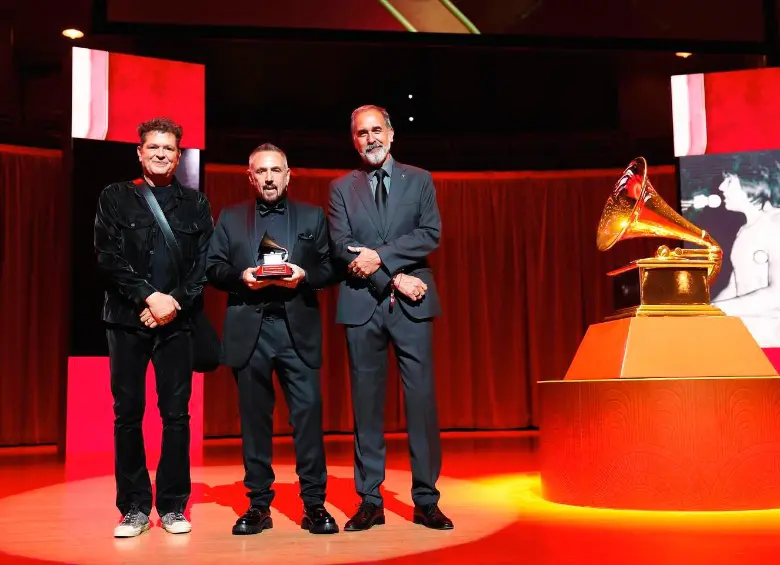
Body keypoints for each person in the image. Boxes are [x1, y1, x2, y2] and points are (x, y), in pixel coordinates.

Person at [327, 105, 453, 531]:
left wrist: (381, 258)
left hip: (414, 307)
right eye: (361, 133)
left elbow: (429, 233)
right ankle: (369, 501)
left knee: (420, 403)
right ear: (354, 140)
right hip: (364, 303)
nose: (370, 138)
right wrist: (394, 279)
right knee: (366, 406)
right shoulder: (341, 188)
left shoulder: (419, 179)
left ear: (392, 134)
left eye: (376, 130)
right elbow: (342, 246)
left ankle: (426, 499)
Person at [206, 143, 339, 535]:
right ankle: (258, 506)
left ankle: (314, 505)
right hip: (250, 331)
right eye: (260, 172)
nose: (268, 178)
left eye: (274, 171)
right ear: (250, 177)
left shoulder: (313, 216)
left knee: (308, 419)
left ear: (287, 174)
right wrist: (241, 277)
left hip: (298, 331)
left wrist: (305, 276)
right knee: (254, 423)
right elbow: (212, 268)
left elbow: (331, 267)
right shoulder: (230, 218)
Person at [94, 117, 214, 537]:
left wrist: (173, 303)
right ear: (140, 152)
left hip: (177, 323)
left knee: (176, 415)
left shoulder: (196, 204)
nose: (162, 153)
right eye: (154, 147)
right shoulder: (114, 197)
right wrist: (151, 297)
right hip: (126, 320)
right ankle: (133, 508)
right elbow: (108, 258)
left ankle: (173, 506)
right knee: (127, 415)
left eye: (169, 148)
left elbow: (204, 265)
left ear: (179, 155)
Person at [712, 167, 780, 347]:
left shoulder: (776, 223)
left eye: (729, 181)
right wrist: (704, 311)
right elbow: (734, 287)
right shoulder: (745, 229)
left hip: (770, 343)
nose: (721, 187)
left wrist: (716, 309)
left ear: (751, 183)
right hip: (747, 338)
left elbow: (777, 296)